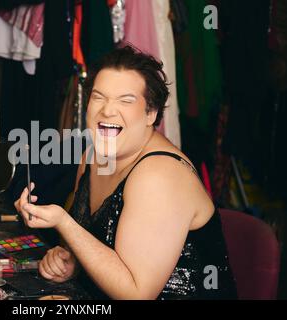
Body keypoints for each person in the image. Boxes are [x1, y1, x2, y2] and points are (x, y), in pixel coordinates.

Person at [14, 46, 237, 300]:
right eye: (99, 97)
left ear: (151, 113)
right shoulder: (92, 156)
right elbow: (95, 242)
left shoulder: (159, 175)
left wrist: (63, 223)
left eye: (125, 100)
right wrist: (71, 260)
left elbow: (137, 294)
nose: (107, 110)